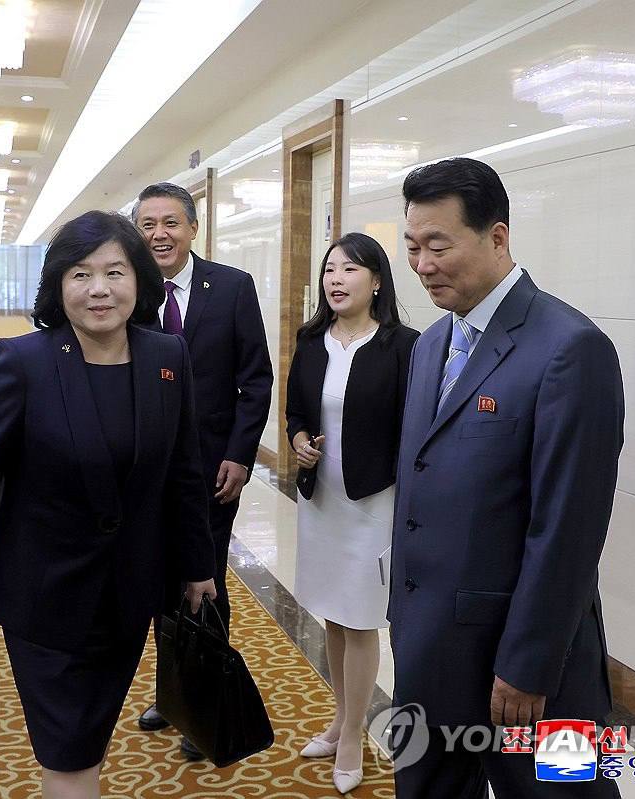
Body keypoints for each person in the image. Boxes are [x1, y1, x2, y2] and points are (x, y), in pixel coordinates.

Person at [0, 211, 216, 799]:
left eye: (114, 273)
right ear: (58, 285)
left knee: (88, 745)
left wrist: (198, 566)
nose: (99, 289)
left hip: (130, 594)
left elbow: (183, 472)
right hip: (43, 596)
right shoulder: (23, 361)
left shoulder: (167, 358)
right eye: (81, 274)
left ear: (139, 281)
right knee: (67, 753)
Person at [389, 157, 625, 798]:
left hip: (528, 664)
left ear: (497, 237)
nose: (422, 264)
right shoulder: (431, 344)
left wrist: (528, 664)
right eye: (412, 246)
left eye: (439, 246)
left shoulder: (570, 348)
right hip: (430, 644)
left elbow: (568, 529)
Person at [130, 182, 273, 759]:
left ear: (193, 228)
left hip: (213, 469)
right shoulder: (128, 289)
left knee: (205, 578)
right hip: (145, 468)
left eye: (170, 222)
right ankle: (171, 695)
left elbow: (255, 379)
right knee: (158, 580)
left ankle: (203, 703)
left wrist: (240, 454)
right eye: (147, 225)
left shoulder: (232, 287)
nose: (159, 234)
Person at [285, 232, 417, 793]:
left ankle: (353, 737)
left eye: (349, 270)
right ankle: (341, 719)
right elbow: (295, 410)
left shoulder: (404, 346)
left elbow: (414, 430)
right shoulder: (312, 339)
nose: (335, 280)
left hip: (373, 503)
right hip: (321, 501)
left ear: (378, 280)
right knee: (334, 617)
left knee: (361, 619)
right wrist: (298, 441)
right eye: (329, 270)